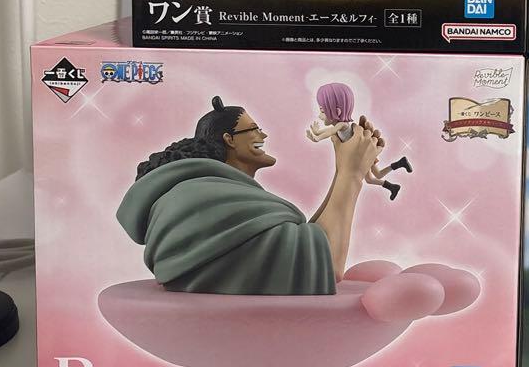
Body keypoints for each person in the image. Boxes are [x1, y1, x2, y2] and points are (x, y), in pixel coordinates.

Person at [119, 96, 383, 295]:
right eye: (254, 129)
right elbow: (325, 264)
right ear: (230, 139)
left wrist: (344, 166)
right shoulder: (205, 199)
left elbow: (308, 243)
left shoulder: (214, 195)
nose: (262, 135)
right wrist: (352, 173)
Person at [307, 82, 412, 200]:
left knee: (375, 176)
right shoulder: (338, 126)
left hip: (362, 154)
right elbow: (329, 130)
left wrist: (318, 138)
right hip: (360, 154)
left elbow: (330, 132)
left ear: (337, 111)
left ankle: (397, 175)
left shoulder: (342, 125)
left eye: (322, 111)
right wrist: (317, 132)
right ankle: (395, 181)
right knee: (372, 178)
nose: (320, 116)